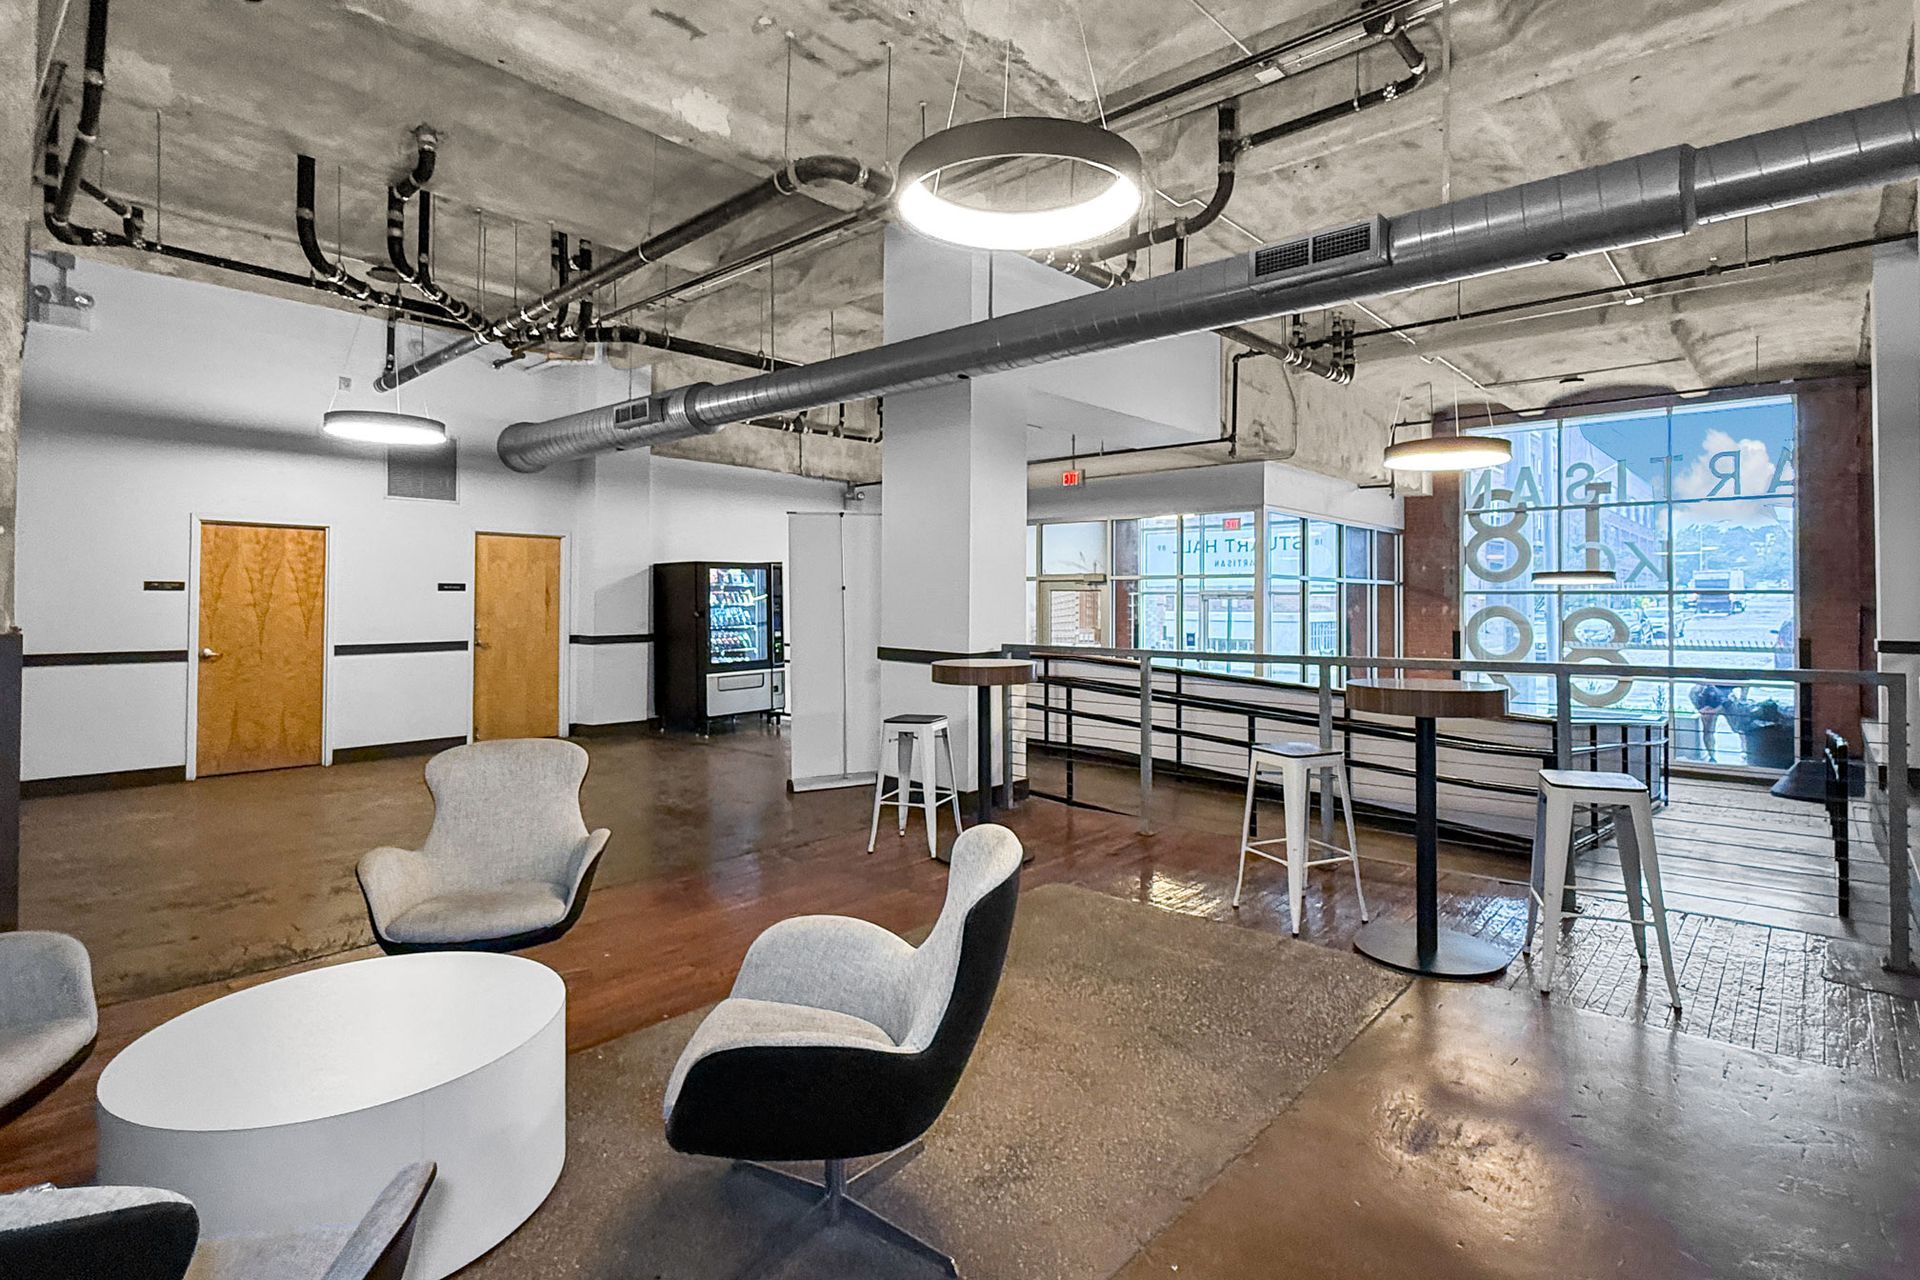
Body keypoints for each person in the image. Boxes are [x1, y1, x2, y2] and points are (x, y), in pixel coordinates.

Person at [1689, 682, 1738, 763]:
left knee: (1738, 727)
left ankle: (1745, 751)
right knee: (1708, 731)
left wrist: (1742, 699)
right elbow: (1693, 693)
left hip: (1726, 699)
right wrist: (1700, 708)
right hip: (1709, 701)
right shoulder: (1699, 690)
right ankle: (1712, 756)